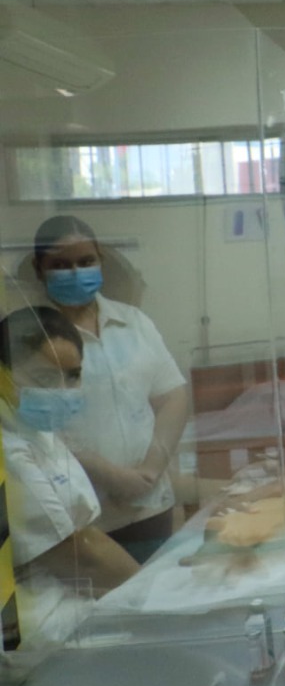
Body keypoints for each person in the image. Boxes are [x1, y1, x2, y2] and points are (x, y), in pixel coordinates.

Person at [31, 215, 188, 562]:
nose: (75, 272)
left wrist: (150, 469)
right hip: (83, 516)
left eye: (85, 261)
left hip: (150, 505)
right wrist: (112, 477)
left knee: (155, 587)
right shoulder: (29, 337)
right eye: (60, 265)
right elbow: (34, 425)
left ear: (100, 259)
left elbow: (172, 396)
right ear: (39, 269)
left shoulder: (134, 322)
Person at [0, 306, 139, 594]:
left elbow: (86, 537)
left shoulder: (40, 433)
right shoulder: (8, 450)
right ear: (4, 377)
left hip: (75, 598)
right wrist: (154, 591)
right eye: (44, 378)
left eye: (73, 375)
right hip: (43, 611)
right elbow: (82, 560)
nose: (62, 390)